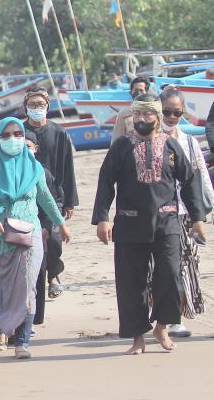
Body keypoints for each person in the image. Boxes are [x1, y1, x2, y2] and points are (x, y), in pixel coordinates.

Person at [93, 93, 206, 355]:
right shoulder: (121, 146)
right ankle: (137, 336)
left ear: (157, 116)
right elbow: (105, 181)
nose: (142, 118)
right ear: (132, 116)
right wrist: (102, 218)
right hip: (129, 223)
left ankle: (162, 326)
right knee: (131, 281)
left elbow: (190, 182)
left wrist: (198, 218)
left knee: (169, 274)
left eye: (148, 113)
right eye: (138, 114)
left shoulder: (171, 146)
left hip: (166, 221)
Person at [0, 117, 71, 360]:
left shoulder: (33, 167)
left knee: (26, 285)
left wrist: (60, 223)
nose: (13, 139)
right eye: (6, 135)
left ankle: (22, 340)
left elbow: (46, 198)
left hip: (28, 234)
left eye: (17, 134)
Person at [160, 89, 213, 337]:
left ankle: (177, 317)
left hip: (186, 212)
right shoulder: (148, 141)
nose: (171, 116)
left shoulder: (189, 142)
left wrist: (202, 214)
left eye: (176, 112)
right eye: (167, 111)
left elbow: (201, 176)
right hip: (157, 213)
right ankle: (164, 317)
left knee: (186, 265)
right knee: (162, 268)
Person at [22, 88, 78, 300]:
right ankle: (31, 280)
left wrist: (69, 200)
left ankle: (53, 275)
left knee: (53, 239)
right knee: (29, 238)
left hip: (54, 194)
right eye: (33, 104)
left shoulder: (59, 132)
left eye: (41, 104)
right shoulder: (20, 131)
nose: (37, 108)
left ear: (48, 106)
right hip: (25, 194)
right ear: (26, 107)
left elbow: (67, 167)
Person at [23, 131, 64, 329]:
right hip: (10, 228)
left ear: (36, 149)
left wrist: (48, 226)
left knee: (36, 271)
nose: (23, 150)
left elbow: (52, 200)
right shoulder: (1, 170)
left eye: (28, 147)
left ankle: (33, 319)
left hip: (38, 226)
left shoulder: (42, 172)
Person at [111, 75, 151, 141]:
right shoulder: (123, 113)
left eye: (141, 90)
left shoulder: (154, 112)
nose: (138, 93)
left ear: (147, 93)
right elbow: (116, 138)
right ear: (130, 92)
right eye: (136, 90)